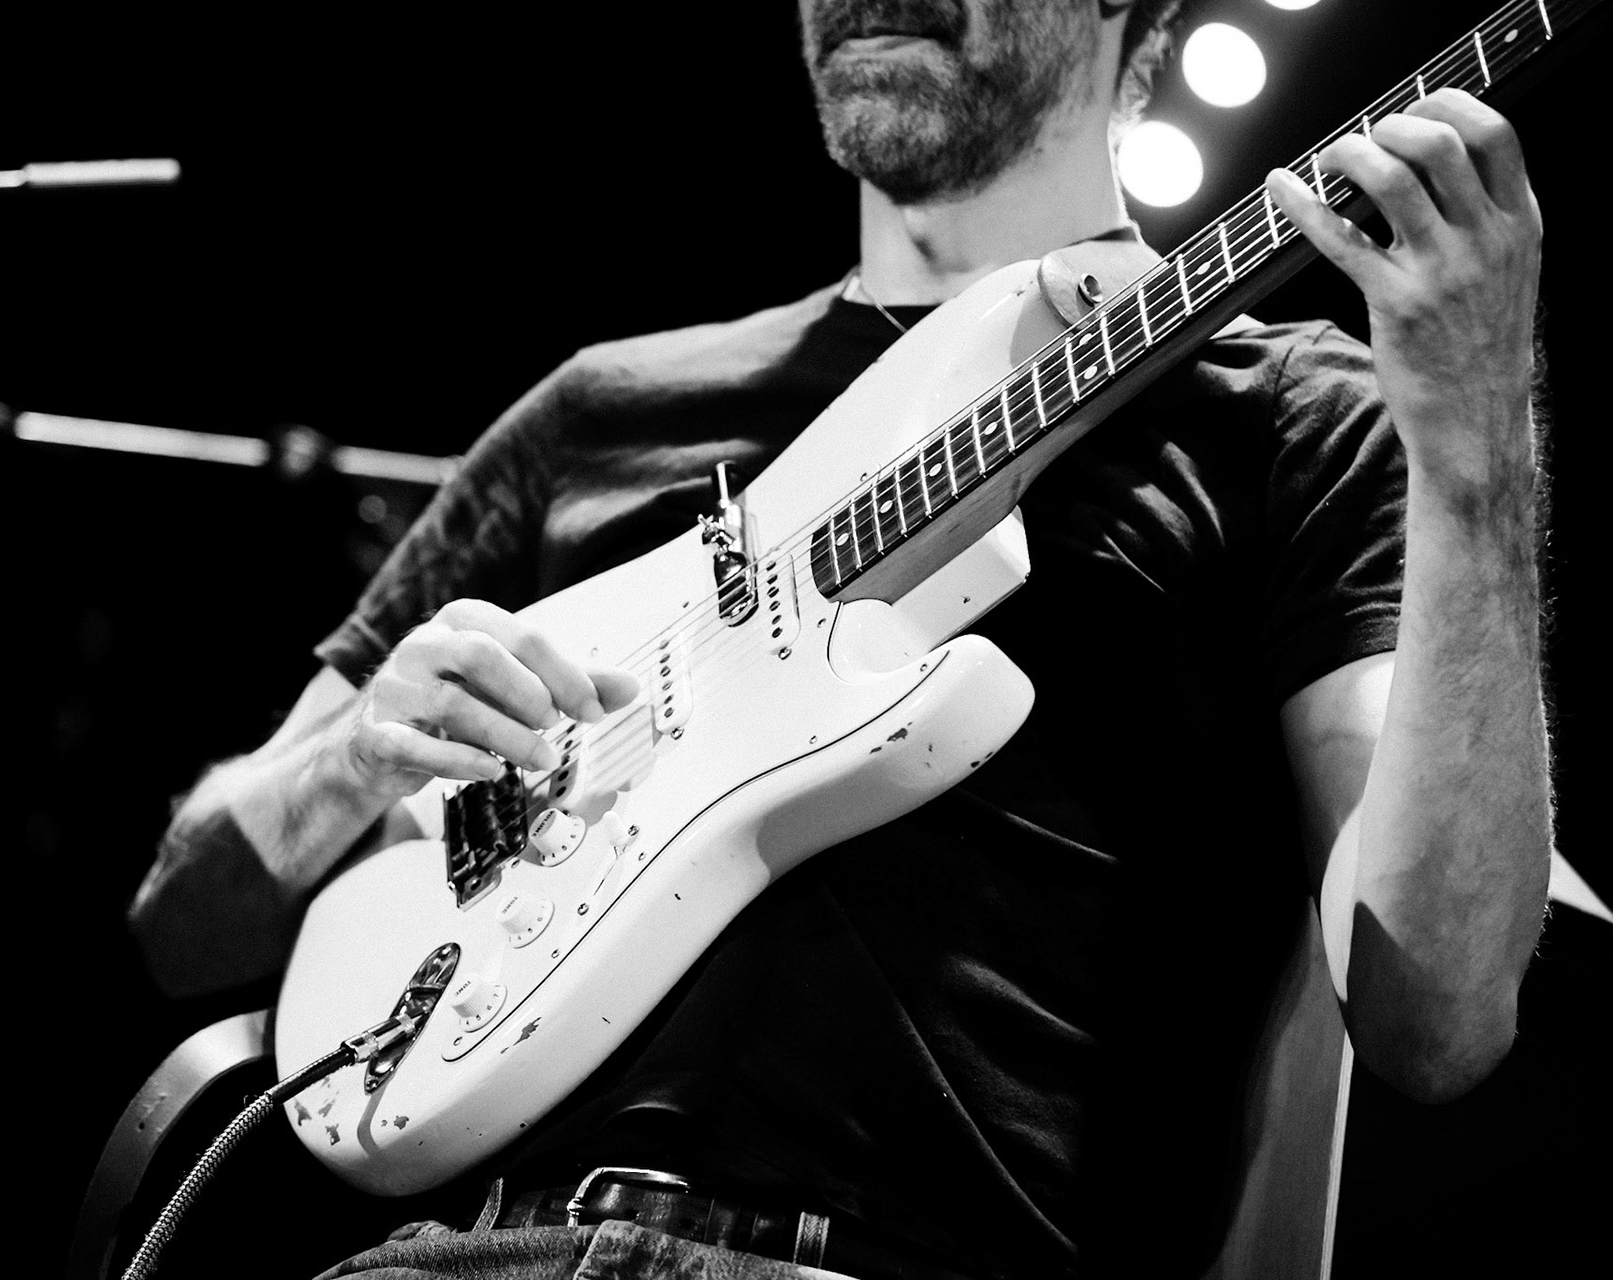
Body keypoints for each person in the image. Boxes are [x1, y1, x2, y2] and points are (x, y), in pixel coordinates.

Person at [127, 2, 1555, 1275]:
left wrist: (1478, 451)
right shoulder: (600, 411)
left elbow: (1438, 1019)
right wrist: (348, 765)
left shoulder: (1296, 414)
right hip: (459, 1252)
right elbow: (182, 924)